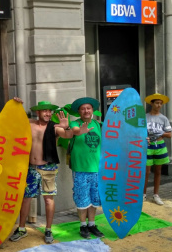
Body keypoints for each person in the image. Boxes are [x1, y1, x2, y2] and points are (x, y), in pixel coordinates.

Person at [9, 100, 82, 244]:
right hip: (30, 168)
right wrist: (15, 103)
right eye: (45, 111)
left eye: (50, 111)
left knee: (48, 199)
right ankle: (22, 228)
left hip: (48, 167)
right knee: (26, 198)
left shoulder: (54, 127)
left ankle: (48, 229)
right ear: (38, 112)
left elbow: (67, 135)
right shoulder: (29, 124)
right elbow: (15, 118)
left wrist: (67, 127)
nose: (48, 113)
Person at [68, 97, 104, 239]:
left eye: (88, 108)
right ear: (79, 111)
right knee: (82, 198)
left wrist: (138, 139)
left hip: (97, 169)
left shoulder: (98, 125)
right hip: (80, 169)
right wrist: (81, 130)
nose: (86, 111)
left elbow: (116, 137)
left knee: (94, 198)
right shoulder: (74, 123)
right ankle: (83, 225)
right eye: (83, 109)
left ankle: (92, 224)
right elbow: (75, 131)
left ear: (92, 110)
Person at [144, 93, 172, 205]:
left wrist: (162, 133)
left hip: (160, 145)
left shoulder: (163, 118)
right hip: (147, 145)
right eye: (157, 103)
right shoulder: (145, 117)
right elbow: (139, 131)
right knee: (146, 171)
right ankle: (143, 194)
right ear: (152, 103)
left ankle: (156, 194)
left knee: (158, 171)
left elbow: (170, 134)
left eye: (160, 103)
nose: (159, 105)